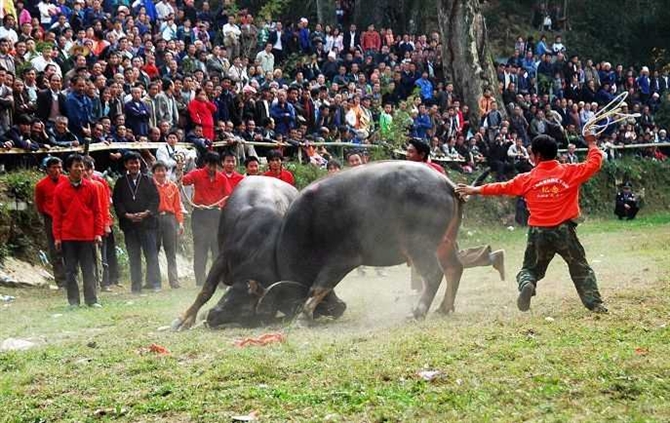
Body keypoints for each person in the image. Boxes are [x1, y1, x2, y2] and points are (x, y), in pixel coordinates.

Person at [456, 134, 608, 313]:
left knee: (529, 268)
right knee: (580, 268)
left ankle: (528, 283)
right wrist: (591, 143)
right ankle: (595, 304)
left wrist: (475, 189)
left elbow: (502, 187)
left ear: (537, 156)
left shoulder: (526, 178)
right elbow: (594, 163)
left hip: (538, 231)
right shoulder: (570, 171)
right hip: (564, 230)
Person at [405, 139, 505, 287]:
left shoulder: (429, 171)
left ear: (422, 154)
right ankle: (491, 258)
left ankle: (491, 258)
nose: (407, 155)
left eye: (411, 151)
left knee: (440, 256)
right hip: (427, 219)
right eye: (407, 151)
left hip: (435, 220)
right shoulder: (422, 169)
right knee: (428, 253)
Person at [52, 154, 103, 307]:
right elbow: (57, 215)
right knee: (70, 271)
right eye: (76, 166)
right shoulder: (60, 189)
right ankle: (73, 301)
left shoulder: (92, 187)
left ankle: (92, 300)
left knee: (89, 270)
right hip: (68, 237)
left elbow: (97, 212)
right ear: (68, 169)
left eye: (82, 166)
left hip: (87, 236)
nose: (80, 169)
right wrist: (57, 237)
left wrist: (98, 233)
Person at [179, 152, 232, 286]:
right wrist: (180, 169)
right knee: (200, 249)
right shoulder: (196, 174)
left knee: (217, 248)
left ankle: (219, 280)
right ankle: (200, 281)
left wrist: (219, 205)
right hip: (200, 215)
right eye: (209, 165)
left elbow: (228, 195)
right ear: (205, 163)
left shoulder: (222, 178)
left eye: (214, 165)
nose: (212, 168)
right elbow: (183, 181)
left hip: (215, 215)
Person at [112, 152, 162, 293]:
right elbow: (117, 202)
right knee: (134, 256)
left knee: (151, 254)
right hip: (130, 226)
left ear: (140, 164)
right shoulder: (121, 182)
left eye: (137, 162)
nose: (134, 165)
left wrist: (146, 213)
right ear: (126, 165)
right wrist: (126, 215)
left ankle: (155, 283)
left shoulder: (148, 180)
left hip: (147, 225)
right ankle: (136, 286)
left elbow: (155, 199)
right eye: (131, 163)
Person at [82, 156, 119, 292]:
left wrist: (106, 224)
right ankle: (91, 283)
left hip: (99, 224)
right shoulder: (77, 186)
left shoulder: (99, 184)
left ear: (93, 170)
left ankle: (105, 282)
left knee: (102, 256)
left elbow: (105, 207)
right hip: (84, 226)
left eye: (89, 169)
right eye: (83, 169)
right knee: (87, 257)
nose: (86, 172)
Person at [34, 157, 67, 288]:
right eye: (53, 168)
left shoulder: (67, 180)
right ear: (48, 170)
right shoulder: (41, 185)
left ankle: (72, 276)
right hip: (51, 219)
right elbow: (39, 205)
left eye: (59, 167)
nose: (57, 170)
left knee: (70, 248)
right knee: (55, 250)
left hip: (67, 218)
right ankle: (61, 281)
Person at [153, 161, 184, 289]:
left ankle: (174, 281)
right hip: (155, 219)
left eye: (163, 170)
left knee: (171, 252)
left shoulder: (173, 186)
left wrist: (180, 223)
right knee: (153, 251)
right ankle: (154, 281)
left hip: (170, 220)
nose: (161, 173)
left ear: (166, 172)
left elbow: (178, 207)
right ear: (153, 173)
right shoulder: (150, 186)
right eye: (158, 170)